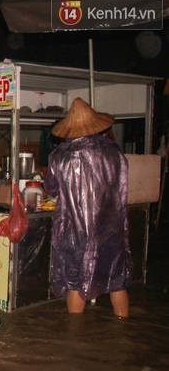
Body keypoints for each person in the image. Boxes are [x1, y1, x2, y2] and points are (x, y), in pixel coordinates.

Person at [45, 98, 131, 317]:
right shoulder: (114, 151)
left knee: (75, 282)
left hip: (74, 232)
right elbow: (121, 184)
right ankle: (124, 327)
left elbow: (51, 188)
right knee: (117, 280)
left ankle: (76, 336)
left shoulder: (59, 155)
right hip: (109, 228)